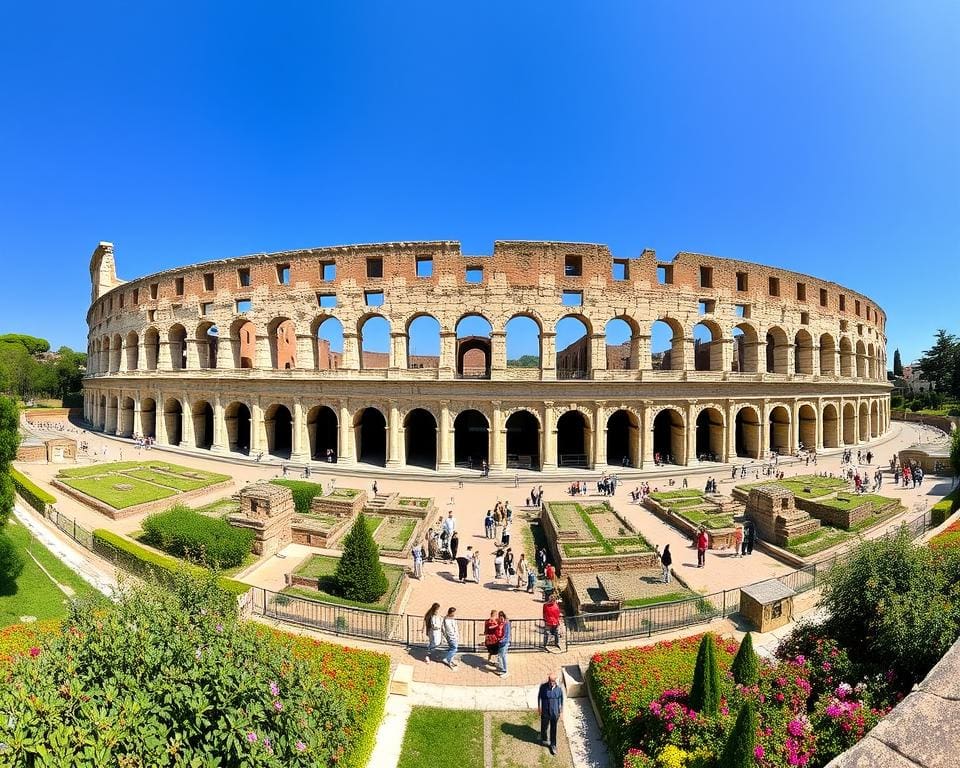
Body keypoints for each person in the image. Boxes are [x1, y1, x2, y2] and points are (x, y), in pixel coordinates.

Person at [538, 673, 564, 756]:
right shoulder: (543, 687)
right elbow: (539, 697)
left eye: (552, 681)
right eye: (549, 680)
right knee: (544, 726)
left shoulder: (559, 689)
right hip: (545, 712)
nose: (550, 682)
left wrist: (561, 711)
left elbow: (561, 699)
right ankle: (544, 737)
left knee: (553, 729)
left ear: (555, 681)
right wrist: (539, 708)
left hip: (554, 713)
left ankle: (553, 745)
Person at [497, 611, 511, 677]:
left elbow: (506, 634)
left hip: (504, 642)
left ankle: (506, 671)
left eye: (502, 618)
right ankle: (502, 668)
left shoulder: (506, 624)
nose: (501, 620)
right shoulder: (502, 623)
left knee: (503, 656)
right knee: (501, 655)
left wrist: (501, 640)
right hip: (501, 641)